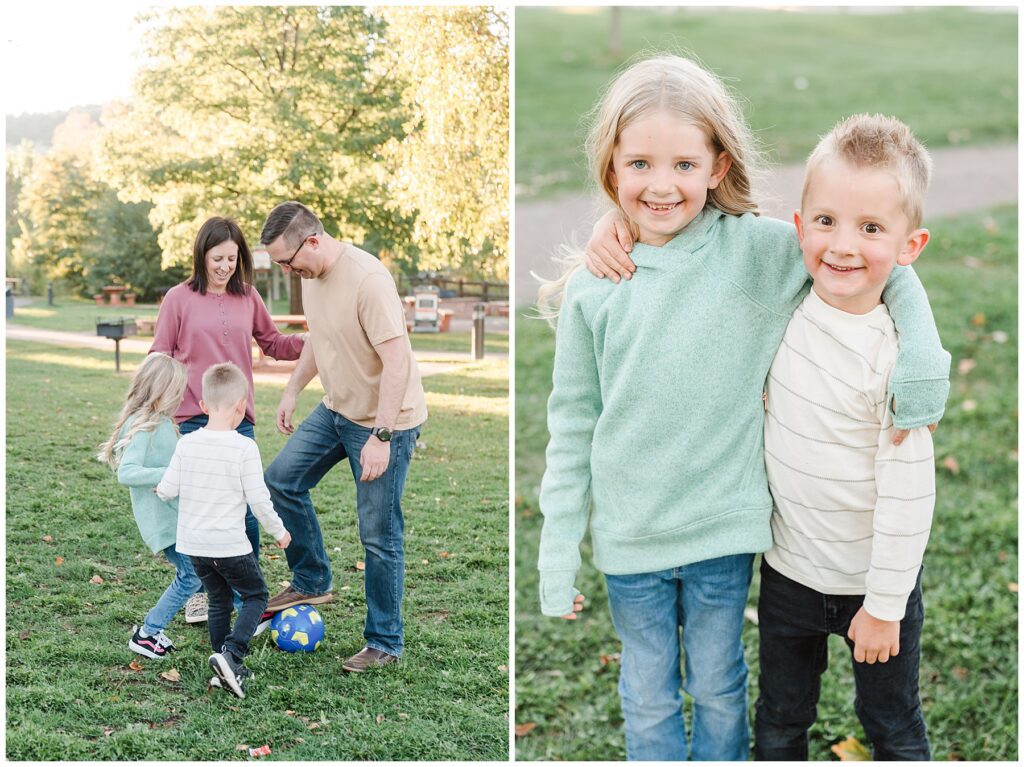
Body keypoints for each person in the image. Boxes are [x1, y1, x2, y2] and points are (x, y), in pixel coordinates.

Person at [536, 55, 949, 761]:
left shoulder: (754, 253)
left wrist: (923, 362)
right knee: (647, 692)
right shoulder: (595, 287)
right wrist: (555, 556)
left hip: (722, 534)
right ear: (611, 167)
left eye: (683, 165)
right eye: (638, 165)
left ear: (718, 166)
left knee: (721, 687)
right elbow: (571, 423)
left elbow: (873, 262)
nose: (660, 185)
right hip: (631, 537)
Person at [753, 114, 936, 760]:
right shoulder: (781, 310)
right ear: (799, 227)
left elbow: (910, 498)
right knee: (780, 717)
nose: (843, 245)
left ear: (910, 246)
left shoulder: (898, 364)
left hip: (872, 581)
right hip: (789, 573)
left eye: (871, 228)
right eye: (826, 221)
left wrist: (884, 606)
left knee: (892, 722)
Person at [258, 200, 427, 673]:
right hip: (336, 410)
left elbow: (397, 361)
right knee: (281, 480)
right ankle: (311, 579)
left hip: (385, 421)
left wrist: (381, 436)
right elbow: (319, 338)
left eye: (288, 262)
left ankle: (384, 642)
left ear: (312, 241)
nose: (287, 272)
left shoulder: (368, 280)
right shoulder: (312, 277)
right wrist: (293, 389)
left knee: (378, 534)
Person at [151, 216, 305, 624]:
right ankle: (203, 593)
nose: (224, 266)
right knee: (199, 508)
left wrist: (309, 342)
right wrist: (152, 408)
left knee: (245, 509)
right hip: (191, 420)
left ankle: (246, 594)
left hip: (240, 420)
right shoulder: (178, 298)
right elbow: (159, 355)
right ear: (202, 256)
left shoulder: (248, 297)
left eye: (232, 259)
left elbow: (273, 343)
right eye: (217, 258)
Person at [156, 362, 291, 699]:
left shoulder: (187, 443)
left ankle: (221, 663)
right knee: (256, 595)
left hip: (194, 545)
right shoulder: (244, 448)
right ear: (241, 407)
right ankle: (233, 655)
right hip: (229, 544)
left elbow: (167, 488)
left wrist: (160, 491)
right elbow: (258, 500)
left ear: (203, 406)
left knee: (218, 599)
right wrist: (279, 531)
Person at [97, 352, 196, 660]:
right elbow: (127, 473)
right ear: (160, 390)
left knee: (195, 573)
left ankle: (153, 630)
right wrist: (168, 473)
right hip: (164, 521)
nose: (181, 397)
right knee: (191, 576)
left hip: (176, 517)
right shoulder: (146, 426)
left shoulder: (161, 422)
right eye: (177, 391)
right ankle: (148, 633)